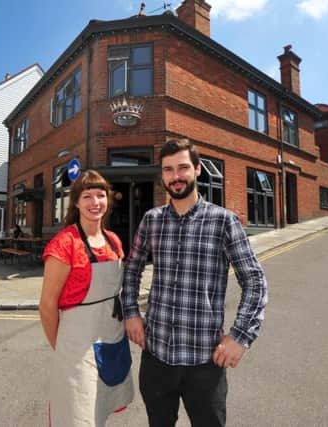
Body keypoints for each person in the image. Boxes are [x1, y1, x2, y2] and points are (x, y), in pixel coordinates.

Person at [121, 138, 268, 427]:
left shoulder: (223, 221)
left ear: (198, 169)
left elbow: (255, 281)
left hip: (204, 362)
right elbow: (131, 268)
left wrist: (240, 336)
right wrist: (131, 312)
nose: (176, 176)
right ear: (162, 175)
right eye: (168, 170)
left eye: (183, 168)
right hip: (156, 358)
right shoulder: (151, 220)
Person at [39, 170, 134, 426]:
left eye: (100, 195)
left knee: (100, 409)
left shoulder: (114, 241)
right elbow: (47, 305)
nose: (95, 202)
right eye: (87, 196)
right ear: (77, 202)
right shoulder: (64, 244)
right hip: (77, 347)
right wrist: (62, 348)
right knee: (78, 417)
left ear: (108, 200)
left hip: (111, 338)